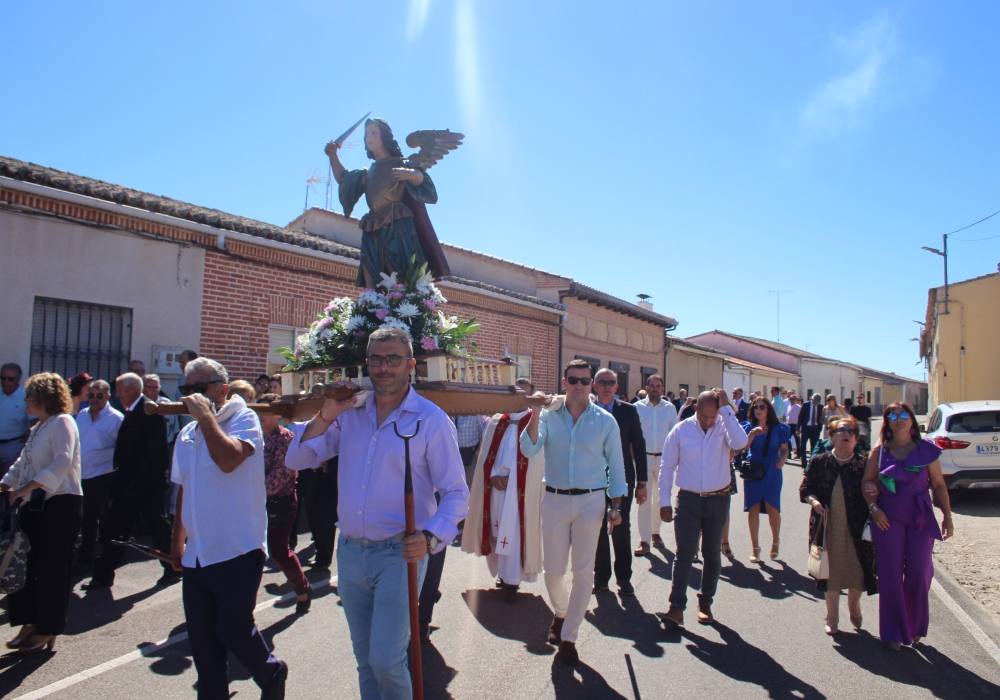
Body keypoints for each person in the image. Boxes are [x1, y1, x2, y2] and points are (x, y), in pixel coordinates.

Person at [284, 327, 468, 698]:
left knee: (387, 659)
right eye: (376, 359)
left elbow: (455, 493)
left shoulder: (430, 420)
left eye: (393, 359)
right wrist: (325, 414)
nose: (383, 367)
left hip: (399, 555)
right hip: (351, 552)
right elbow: (297, 457)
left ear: (411, 365)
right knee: (365, 658)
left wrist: (431, 537)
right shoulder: (349, 415)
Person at [169, 357, 287, 698]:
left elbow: (229, 460)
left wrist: (206, 416)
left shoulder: (244, 419)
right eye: (185, 389)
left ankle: (271, 673)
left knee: (234, 630)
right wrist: (177, 540)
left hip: (238, 548)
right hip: (198, 555)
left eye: (198, 389)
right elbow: (184, 488)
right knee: (204, 647)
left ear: (221, 389)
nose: (189, 396)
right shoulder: (188, 433)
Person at [521, 359, 627, 666]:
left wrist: (616, 505)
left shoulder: (605, 421)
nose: (578, 385)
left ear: (591, 384)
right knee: (554, 572)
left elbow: (617, 466)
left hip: (591, 502)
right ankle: (562, 611)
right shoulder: (549, 416)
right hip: (554, 498)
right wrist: (536, 411)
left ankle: (569, 636)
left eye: (584, 380)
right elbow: (529, 449)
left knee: (584, 572)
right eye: (573, 379)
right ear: (564, 381)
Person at [0, 373, 83, 653]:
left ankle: (48, 627)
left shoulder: (63, 422)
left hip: (60, 504)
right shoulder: (39, 427)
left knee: (52, 569)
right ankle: (29, 622)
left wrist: (29, 487)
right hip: (34, 504)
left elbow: (63, 460)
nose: (25, 401)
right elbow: (22, 463)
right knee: (28, 565)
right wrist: (7, 483)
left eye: (29, 395)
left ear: (42, 397)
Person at [863, 402, 954, 651]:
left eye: (903, 414)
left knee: (919, 572)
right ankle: (893, 631)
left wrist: (947, 515)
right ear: (887, 422)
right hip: (886, 519)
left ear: (912, 420)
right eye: (892, 415)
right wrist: (874, 508)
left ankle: (913, 627)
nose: (898, 418)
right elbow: (867, 484)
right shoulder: (879, 452)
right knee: (890, 574)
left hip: (920, 518)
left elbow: (938, 485)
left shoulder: (927, 450)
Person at [659, 389, 748, 627]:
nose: (709, 421)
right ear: (695, 409)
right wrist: (664, 502)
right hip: (688, 500)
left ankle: (705, 601)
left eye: (713, 416)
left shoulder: (724, 425)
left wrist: (727, 409)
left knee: (711, 553)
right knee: (684, 553)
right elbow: (667, 467)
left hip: (718, 500)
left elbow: (741, 442)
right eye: (704, 416)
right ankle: (676, 607)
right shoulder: (681, 430)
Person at [87, 373, 173, 589]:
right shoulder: (132, 410)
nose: (117, 394)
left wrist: (139, 484)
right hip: (129, 485)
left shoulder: (148, 410)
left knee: (157, 528)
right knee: (116, 528)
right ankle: (103, 575)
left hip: (145, 486)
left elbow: (156, 453)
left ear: (130, 390)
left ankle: (172, 567)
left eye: (119, 389)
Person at [462, 379, 544, 604]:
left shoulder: (537, 421)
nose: (519, 398)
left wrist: (513, 480)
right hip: (495, 488)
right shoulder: (497, 421)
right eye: (514, 393)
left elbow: (537, 461)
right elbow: (485, 456)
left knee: (514, 533)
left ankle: (512, 581)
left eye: (523, 394)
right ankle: (502, 574)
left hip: (519, 492)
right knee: (496, 531)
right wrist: (492, 477)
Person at [800, 416, 876, 635]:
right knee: (828, 573)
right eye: (840, 431)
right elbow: (805, 489)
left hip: (856, 528)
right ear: (831, 436)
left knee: (857, 571)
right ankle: (832, 617)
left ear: (856, 439)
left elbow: (877, 488)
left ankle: (854, 605)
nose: (846, 435)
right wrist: (814, 502)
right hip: (827, 527)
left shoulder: (864, 464)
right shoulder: (819, 462)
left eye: (850, 432)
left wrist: (874, 491)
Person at [592, 368, 646, 597]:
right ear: (594, 385)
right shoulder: (587, 410)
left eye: (611, 382)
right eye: (602, 382)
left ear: (616, 387)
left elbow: (639, 446)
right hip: (592, 479)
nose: (606, 386)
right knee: (597, 530)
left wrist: (642, 481)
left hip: (621, 478)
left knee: (621, 527)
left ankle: (624, 577)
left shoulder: (629, 411)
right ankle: (601, 578)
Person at [257, 394, 311, 614]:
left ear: (278, 414)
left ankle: (302, 586)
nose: (260, 417)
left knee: (279, 551)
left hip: (279, 501)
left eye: (265, 412)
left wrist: (252, 492)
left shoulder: (286, 438)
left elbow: (281, 475)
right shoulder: (253, 437)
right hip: (253, 502)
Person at [74, 379, 123, 572]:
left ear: (108, 396)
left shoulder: (116, 418)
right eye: (91, 395)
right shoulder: (83, 415)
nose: (94, 399)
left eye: (99, 395)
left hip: (102, 475)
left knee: (95, 517)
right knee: (82, 517)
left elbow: (121, 448)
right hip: (81, 474)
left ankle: (93, 557)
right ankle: (83, 554)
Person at [740, 398, 790, 563]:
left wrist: (782, 460)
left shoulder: (779, 429)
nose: (758, 410)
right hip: (753, 470)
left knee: (772, 507)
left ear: (769, 409)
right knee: (753, 507)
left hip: (772, 471)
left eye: (762, 407)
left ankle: (776, 540)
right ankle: (755, 548)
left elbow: (784, 449)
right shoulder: (748, 427)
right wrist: (753, 434)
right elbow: (742, 447)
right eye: (755, 407)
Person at [633, 374, 678, 557]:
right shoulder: (636, 408)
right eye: (652, 385)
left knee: (661, 499)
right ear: (646, 387)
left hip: (663, 460)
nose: (655, 389)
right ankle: (644, 540)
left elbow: (675, 435)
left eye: (658, 386)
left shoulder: (670, 408)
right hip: (642, 459)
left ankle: (655, 533)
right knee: (644, 500)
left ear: (662, 388)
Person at [0, 362, 31, 476]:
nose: (6, 382)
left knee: (8, 481)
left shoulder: (25, 397)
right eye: (3, 378)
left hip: (13, 445)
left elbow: (35, 421)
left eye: (10, 379)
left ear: (18, 379)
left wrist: (27, 439)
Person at [455, 414, 488, 486]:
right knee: (457, 483)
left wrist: (479, 450)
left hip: (472, 454)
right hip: (456, 454)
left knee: (470, 482)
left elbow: (484, 432)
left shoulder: (476, 415)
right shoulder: (454, 415)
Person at [798, 394, 825, 469]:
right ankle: (804, 465)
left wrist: (819, 429)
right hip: (806, 429)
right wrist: (798, 428)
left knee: (814, 449)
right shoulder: (805, 405)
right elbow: (800, 417)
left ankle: (811, 465)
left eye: (817, 402)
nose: (815, 403)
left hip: (815, 430)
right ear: (811, 399)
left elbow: (821, 419)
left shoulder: (821, 407)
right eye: (814, 401)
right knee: (802, 447)